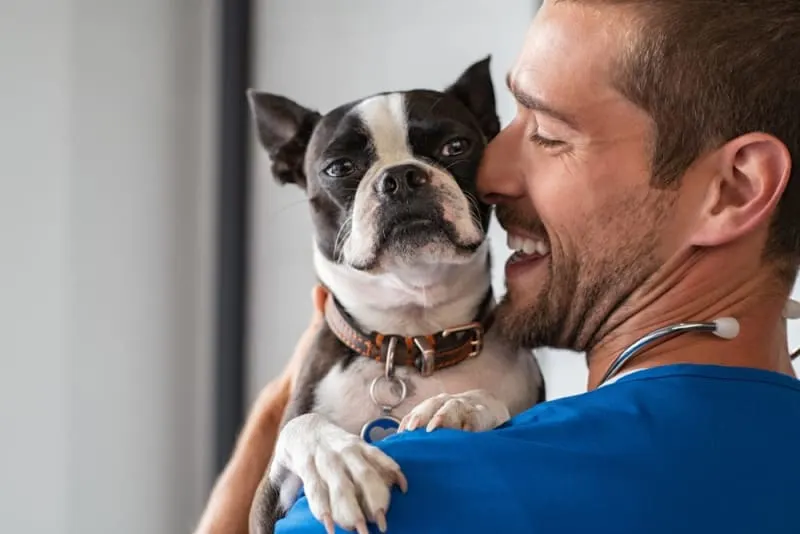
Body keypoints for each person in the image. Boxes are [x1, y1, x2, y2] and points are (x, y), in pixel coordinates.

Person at [197, 0, 800, 532]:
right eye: (505, 124)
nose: (489, 175)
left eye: (548, 133)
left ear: (734, 190)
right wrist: (288, 405)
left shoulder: (396, 494)